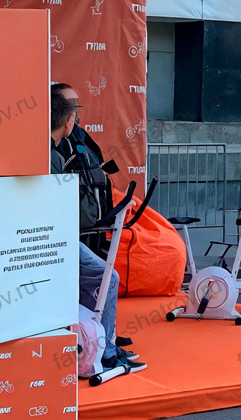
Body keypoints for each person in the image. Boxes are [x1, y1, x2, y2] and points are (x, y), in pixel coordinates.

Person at [50, 92, 145, 372]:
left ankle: (99, 341)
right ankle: (103, 351)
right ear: (69, 120)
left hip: (59, 237)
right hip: (56, 240)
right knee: (107, 278)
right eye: (74, 109)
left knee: (99, 279)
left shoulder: (57, 149)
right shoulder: (51, 154)